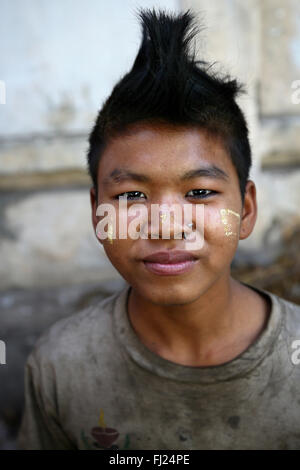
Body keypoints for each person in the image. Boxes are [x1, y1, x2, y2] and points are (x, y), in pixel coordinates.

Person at [18, 9, 300, 450]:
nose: (167, 227)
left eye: (201, 193)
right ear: (97, 212)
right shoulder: (61, 365)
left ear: (245, 210)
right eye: (131, 195)